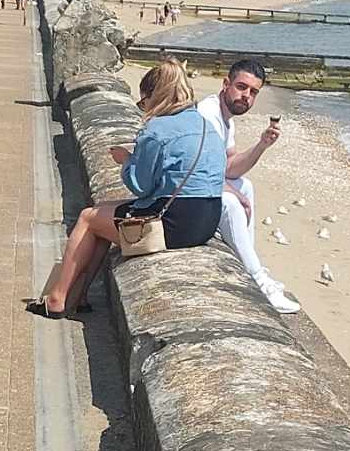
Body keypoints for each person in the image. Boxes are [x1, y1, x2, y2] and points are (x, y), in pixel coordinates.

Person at [30, 57, 225, 318]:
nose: (143, 107)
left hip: (174, 224)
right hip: (207, 220)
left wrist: (126, 161)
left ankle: (56, 299)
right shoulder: (205, 126)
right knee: (101, 215)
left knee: (88, 218)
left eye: (143, 101)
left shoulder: (157, 129)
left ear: (155, 97)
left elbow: (140, 186)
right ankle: (79, 296)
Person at [198, 59, 300, 314]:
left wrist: (261, 145)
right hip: (184, 195)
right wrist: (233, 194)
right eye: (242, 87)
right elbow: (200, 171)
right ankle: (258, 280)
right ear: (226, 84)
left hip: (200, 186)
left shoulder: (226, 119)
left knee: (246, 187)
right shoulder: (207, 114)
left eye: (253, 92)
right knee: (232, 200)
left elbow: (230, 167)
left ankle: (250, 265)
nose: (246, 95)